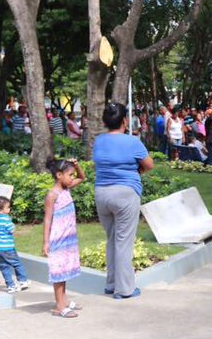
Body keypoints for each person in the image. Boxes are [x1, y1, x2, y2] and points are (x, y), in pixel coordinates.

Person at [93, 102, 152, 299]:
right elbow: (149, 165)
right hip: (125, 193)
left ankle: (111, 284)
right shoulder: (132, 142)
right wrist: (137, 170)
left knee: (112, 239)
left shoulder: (99, 141)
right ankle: (125, 289)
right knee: (124, 242)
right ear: (125, 121)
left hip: (102, 193)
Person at [43, 158, 83, 317]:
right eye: (70, 175)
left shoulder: (67, 188)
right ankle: (59, 306)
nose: (73, 178)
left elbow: (82, 178)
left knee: (65, 270)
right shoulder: (52, 195)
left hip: (68, 238)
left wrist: (77, 166)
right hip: (58, 238)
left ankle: (64, 300)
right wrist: (46, 242)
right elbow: (47, 219)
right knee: (59, 271)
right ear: (59, 175)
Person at [0, 196, 29, 294]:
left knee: (4, 268)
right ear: (0, 210)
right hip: (8, 247)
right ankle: (23, 281)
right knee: (17, 264)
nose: (9, 209)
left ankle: (11, 286)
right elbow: (11, 229)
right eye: (7, 207)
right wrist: (13, 226)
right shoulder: (6, 219)